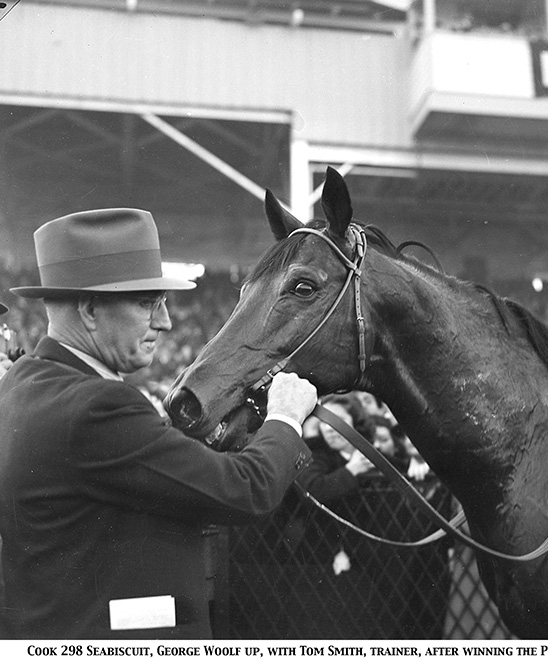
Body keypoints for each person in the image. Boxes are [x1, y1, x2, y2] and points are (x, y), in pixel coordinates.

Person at [0, 208, 318, 640]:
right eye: (148, 303)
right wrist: (286, 416)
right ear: (91, 309)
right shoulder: (100, 405)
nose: (165, 322)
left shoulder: (20, 386)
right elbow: (246, 491)